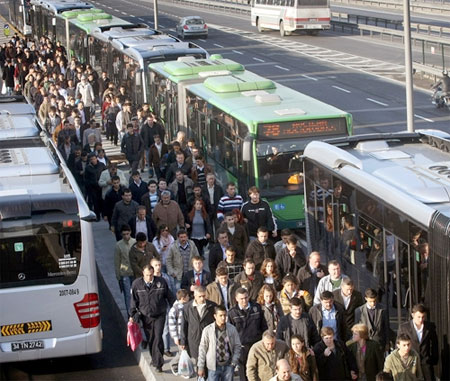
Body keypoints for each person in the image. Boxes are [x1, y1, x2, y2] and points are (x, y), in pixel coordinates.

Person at [130, 264, 175, 373]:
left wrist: (176, 308)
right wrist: (132, 315)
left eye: (151, 275)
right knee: (151, 339)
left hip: (160, 314)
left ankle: (159, 363)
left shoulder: (161, 282)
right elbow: (133, 301)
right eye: (147, 275)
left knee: (158, 337)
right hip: (146, 316)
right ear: (143, 273)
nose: (149, 277)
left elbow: (169, 296)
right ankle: (154, 359)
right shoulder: (137, 284)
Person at [228, 288, 268, 381]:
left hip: (256, 344)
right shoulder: (232, 313)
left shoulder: (257, 308)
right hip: (242, 347)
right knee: (244, 372)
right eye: (241, 298)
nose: (244, 300)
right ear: (236, 299)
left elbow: (264, 326)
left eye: (246, 297)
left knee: (258, 369)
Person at [197, 305, 242, 380]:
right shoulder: (208, 330)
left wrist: (234, 361)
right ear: (215, 316)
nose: (223, 318)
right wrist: (200, 366)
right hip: (213, 367)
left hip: (228, 365)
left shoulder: (231, 329)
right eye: (220, 315)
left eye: (225, 315)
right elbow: (202, 349)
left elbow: (237, 345)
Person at [397, 304, 438, 381]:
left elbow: (435, 344)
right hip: (410, 362)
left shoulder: (430, 326)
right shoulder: (404, 327)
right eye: (418, 317)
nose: (421, 319)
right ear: (413, 315)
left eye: (423, 317)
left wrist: (433, 360)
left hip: (426, 363)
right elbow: (398, 345)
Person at [179, 285, 217, 364]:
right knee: (198, 362)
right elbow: (184, 325)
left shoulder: (212, 306)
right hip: (194, 338)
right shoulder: (187, 307)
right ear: (195, 296)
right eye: (200, 296)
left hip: (208, 338)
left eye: (204, 296)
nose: (202, 299)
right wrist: (183, 341)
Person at [114, 225, 136, 315]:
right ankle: (130, 315)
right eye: (124, 234)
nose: (126, 236)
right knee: (128, 296)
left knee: (136, 295)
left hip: (135, 273)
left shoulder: (134, 242)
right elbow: (117, 262)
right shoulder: (118, 245)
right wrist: (118, 277)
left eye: (127, 234)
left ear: (130, 232)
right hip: (125, 274)